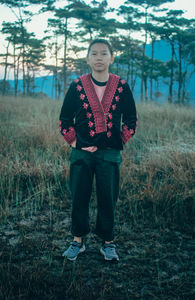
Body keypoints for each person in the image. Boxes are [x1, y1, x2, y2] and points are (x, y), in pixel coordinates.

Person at [59, 39, 138, 261]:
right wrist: (75, 143)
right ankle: (77, 241)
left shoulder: (121, 86)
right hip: (81, 153)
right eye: (94, 54)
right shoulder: (76, 86)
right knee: (79, 196)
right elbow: (65, 119)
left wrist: (119, 140)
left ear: (112, 58)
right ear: (87, 59)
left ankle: (108, 242)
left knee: (108, 198)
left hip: (110, 154)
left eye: (104, 53)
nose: (99, 57)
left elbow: (131, 119)